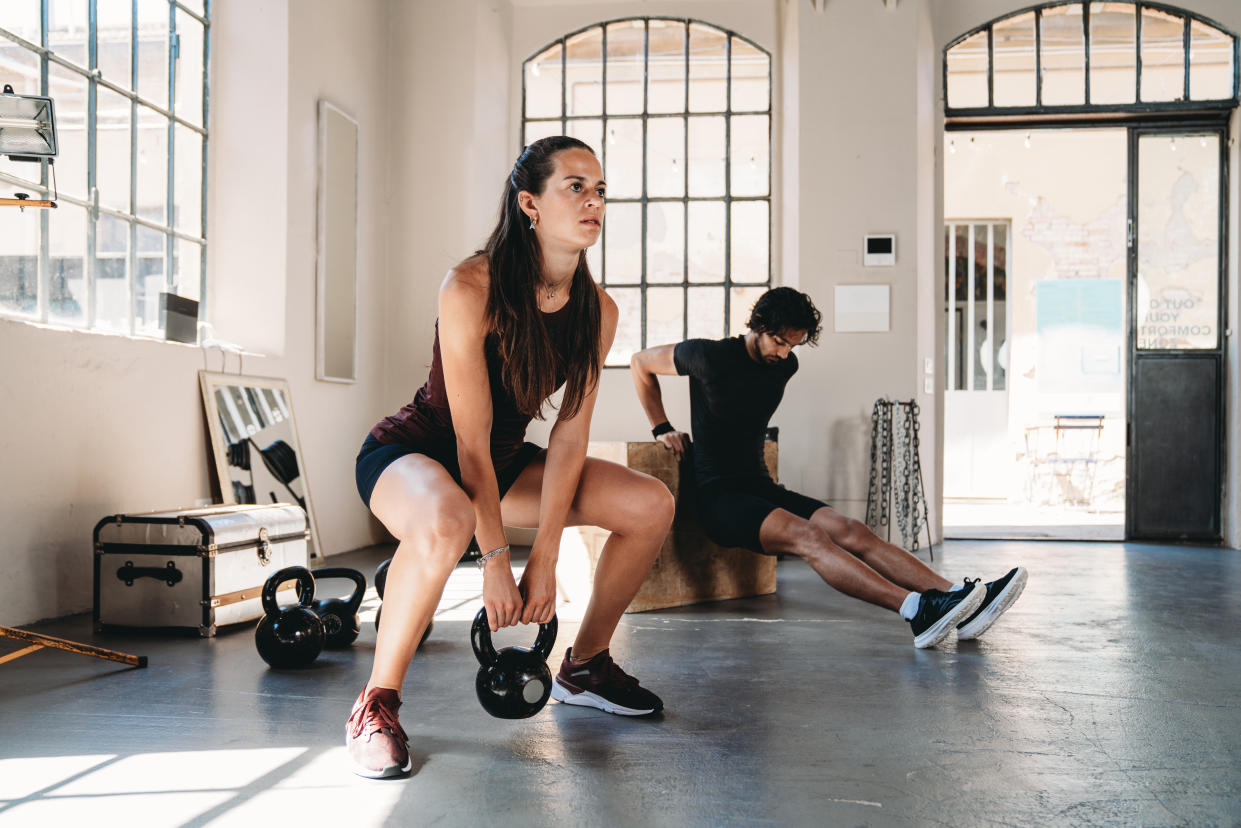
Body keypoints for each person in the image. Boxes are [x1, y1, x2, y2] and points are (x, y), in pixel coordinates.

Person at [348, 137, 673, 779]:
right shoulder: (472, 285)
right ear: (529, 203)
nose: (593, 201)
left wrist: (546, 558)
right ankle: (375, 704)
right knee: (448, 521)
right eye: (575, 186)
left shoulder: (598, 310)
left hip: (502, 465)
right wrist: (499, 563)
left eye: (600, 189)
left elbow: (569, 440)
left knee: (649, 502)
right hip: (414, 454)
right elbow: (469, 440)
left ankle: (583, 666)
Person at [630, 287, 1026, 650]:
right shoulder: (708, 356)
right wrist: (662, 427)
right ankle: (915, 611)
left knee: (851, 530)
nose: (784, 353)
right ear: (759, 326)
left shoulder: (786, 366)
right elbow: (640, 363)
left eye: (794, 345)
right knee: (809, 536)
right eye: (780, 341)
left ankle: (960, 599)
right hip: (721, 498)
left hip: (760, 486)